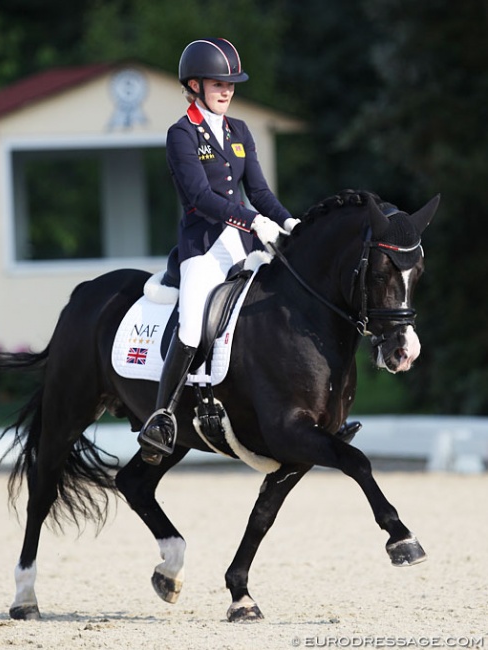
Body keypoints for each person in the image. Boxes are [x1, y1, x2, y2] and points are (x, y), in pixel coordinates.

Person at [138, 37, 360, 465]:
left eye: (232, 84)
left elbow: (258, 191)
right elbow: (201, 197)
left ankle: (322, 412)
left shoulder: (239, 131)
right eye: (219, 83)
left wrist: (292, 222)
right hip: (203, 248)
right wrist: (252, 221)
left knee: (287, 304)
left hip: (241, 246)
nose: (227, 90)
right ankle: (162, 417)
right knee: (190, 327)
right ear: (195, 85)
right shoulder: (181, 134)